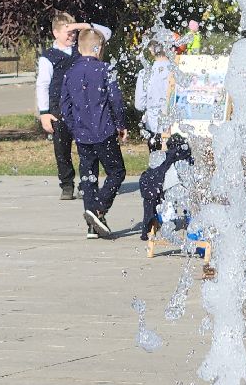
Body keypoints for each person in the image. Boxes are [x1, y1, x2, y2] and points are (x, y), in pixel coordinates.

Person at [59, 28, 127, 239]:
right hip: (104, 131)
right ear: (98, 49)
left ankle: (92, 226)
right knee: (117, 172)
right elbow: (115, 100)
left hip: (82, 135)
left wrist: (74, 128)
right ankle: (99, 209)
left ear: (79, 48)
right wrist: (121, 125)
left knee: (89, 178)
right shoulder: (106, 70)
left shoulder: (70, 72)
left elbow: (65, 106)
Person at [36, 12, 111, 200]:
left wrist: (81, 25)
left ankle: (87, 182)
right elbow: (42, 84)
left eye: (73, 32)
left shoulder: (81, 51)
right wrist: (44, 113)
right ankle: (67, 184)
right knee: (61, 149)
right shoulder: (49, 56)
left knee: (87, 148)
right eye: (66, 32)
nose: (71, 35)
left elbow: (105, 33)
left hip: (82, 108)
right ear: (55, 33)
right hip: (58, 110)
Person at [138, 132, 192, 241]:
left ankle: (162, 222)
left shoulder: (162, 158)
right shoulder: (181, 158)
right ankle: (189, 223)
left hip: (155, 191)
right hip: (173, 191)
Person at [133, 37, 174, 150]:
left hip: (154, 126)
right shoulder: (177, 70)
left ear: (151, 50)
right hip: (175, 126)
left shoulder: (145, 73)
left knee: (157, 163)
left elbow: (139, 105)